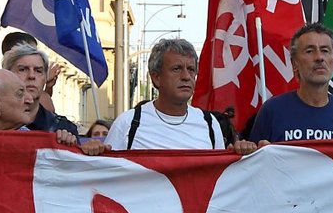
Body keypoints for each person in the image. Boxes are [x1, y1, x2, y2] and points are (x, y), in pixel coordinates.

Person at [105, 39, 252, 154]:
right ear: (156, 77)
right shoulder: (128, 123)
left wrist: (244, 153)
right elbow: (106, 173)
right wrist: (91, 153)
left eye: (191, 69)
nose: (186, 77)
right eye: (177, 69)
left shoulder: (210, 124)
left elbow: (219, 177)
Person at [245, 25, 333, 144]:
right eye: (309, 51)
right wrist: (243, 149)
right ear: (294, 63)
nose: (319, 57)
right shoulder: (272, 111)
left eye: (325, 50)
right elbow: (253, 159)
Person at [1, 43, 79, 143]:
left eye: (38, 71)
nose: (31, 76)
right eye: (23, 69)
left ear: (45, 78)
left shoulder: (64, 128)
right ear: (7, 75)